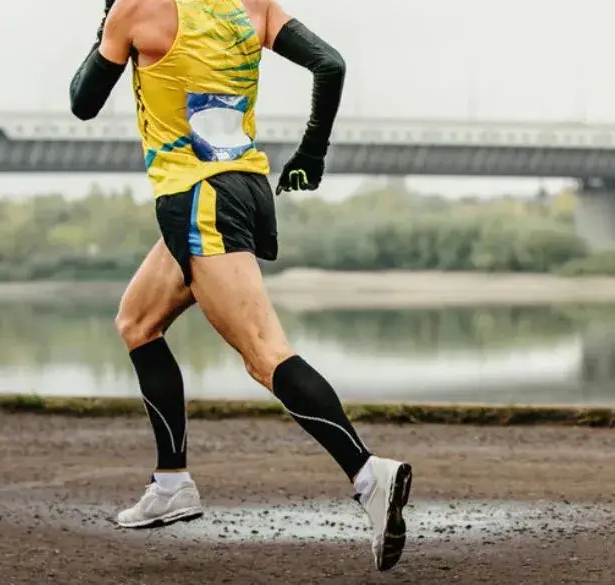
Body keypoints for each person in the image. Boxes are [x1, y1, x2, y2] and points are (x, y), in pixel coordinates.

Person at [68, 0, 413, 572]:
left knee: (264, 354)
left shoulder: (136, 9)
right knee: (137, 321)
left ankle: (367, 474)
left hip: (199, 200)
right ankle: (172, 482)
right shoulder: (251, 5)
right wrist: (312, 152)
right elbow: (330, 64)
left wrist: (105, 27)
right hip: (244, 187)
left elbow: (83, 101)